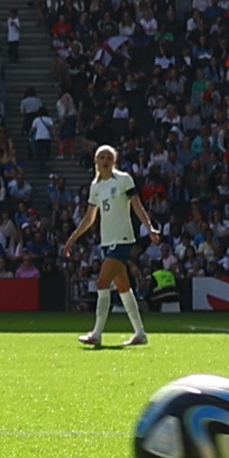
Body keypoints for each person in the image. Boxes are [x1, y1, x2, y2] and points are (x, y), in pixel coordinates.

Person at [76, 143, 156, 349]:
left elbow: (137, 206)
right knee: (123, 287)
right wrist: (72, 239)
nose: (105, 161)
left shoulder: (123, 179)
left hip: (122, 238)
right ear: (96, 160)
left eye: (109, 157)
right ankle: (140, 333)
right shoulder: (95, 186)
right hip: (107, 240)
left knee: (102, 283)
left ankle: (96, 333)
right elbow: (89, 218)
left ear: (114, 161)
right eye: (102, 157)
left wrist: (149, 227)